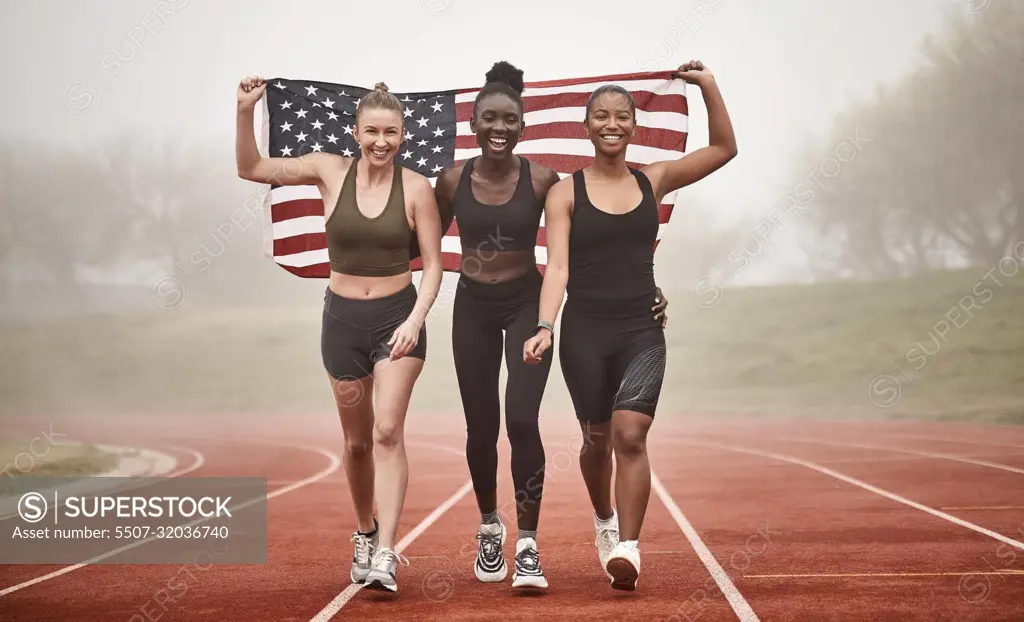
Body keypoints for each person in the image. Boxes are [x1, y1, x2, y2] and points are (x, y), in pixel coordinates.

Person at [435, 61, 669, 590]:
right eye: (489, 119)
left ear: (522, 126)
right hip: (470, 308)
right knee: (482, 428)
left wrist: (643, 286)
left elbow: (593, 238)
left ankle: (528, 545)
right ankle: (491, 527)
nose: (500, 127)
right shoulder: (450, 180)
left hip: (524, 305)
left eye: (510, 120)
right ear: (474, 124)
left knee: (521, 421)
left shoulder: (543, 181)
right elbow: (418, 247)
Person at [523, 60, 737, 591]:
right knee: (596, 441)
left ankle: (630, 548)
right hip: (584, 335)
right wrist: (545, 325)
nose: (611, 124)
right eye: (601, 116)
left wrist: (707, 84)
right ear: (587, 125)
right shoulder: (565, 193)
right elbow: (559, 269)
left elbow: (723, 150)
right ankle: (604, 520)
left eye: (621, 115)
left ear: (634, 125)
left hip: (642, 329)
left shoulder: (654, 179)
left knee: (630, 434)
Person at [235, 74, 444, 593]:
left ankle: (389, 552)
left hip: (399, 320)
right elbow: (251, 168)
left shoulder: (417, 188)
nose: (381, 142)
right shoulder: (329, 170)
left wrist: (415, 321)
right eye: (372, 131)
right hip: (342, 323)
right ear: (354, 131)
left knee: (387, 431)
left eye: (391, 133)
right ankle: (366, 532)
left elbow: (435, 268)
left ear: (403, 135)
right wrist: (244, 112)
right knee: (355, 444)